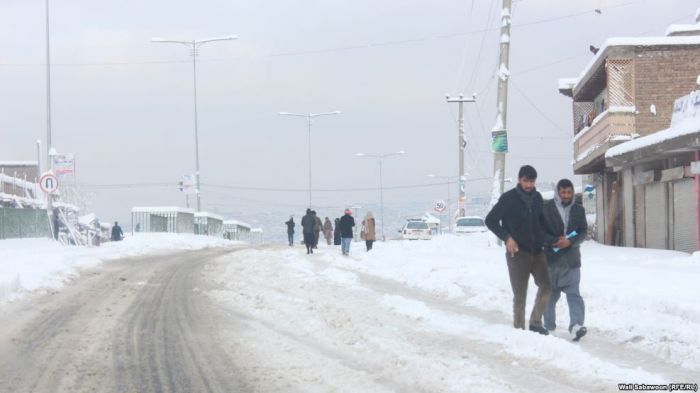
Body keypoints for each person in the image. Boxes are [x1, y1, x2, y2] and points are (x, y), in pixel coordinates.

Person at [485, 165, 551, 335]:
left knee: (546, 286)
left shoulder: (537, 198)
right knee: (520, 296)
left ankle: (536, 322)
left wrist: (547, 239)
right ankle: (519, 331)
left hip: (537, 252)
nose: (529, 185)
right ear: (519, 180)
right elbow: (490, 220)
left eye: (532, 181)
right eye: (526, 181)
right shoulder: (508, 199)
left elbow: (542, 222)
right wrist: (507, 237)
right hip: (517, 254)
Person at [542, 178, 588, 341]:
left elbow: (582, 231)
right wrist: (555, 241)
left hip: (572, 261)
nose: (566, 195)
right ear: (557, 192)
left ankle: (576, 326)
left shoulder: (578, 210)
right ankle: (548, 327)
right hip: (550, 261)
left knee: (574, 295)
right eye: (563, 192)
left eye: (569, 192)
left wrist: (569, 241)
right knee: (549, 296)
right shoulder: (545, 208)